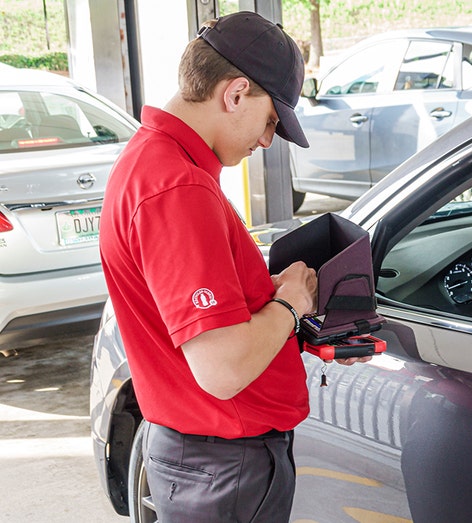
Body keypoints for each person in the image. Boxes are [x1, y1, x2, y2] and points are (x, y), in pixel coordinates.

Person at [99, 11, 368, 522]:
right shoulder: (178, 188)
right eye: (271, 121)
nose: (268, 140)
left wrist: (289, 313)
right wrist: (290, 305)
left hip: (202, 460)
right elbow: (222, 368)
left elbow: (201, 312)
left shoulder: (151, 161)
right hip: (227, 464)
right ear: (236, 92)